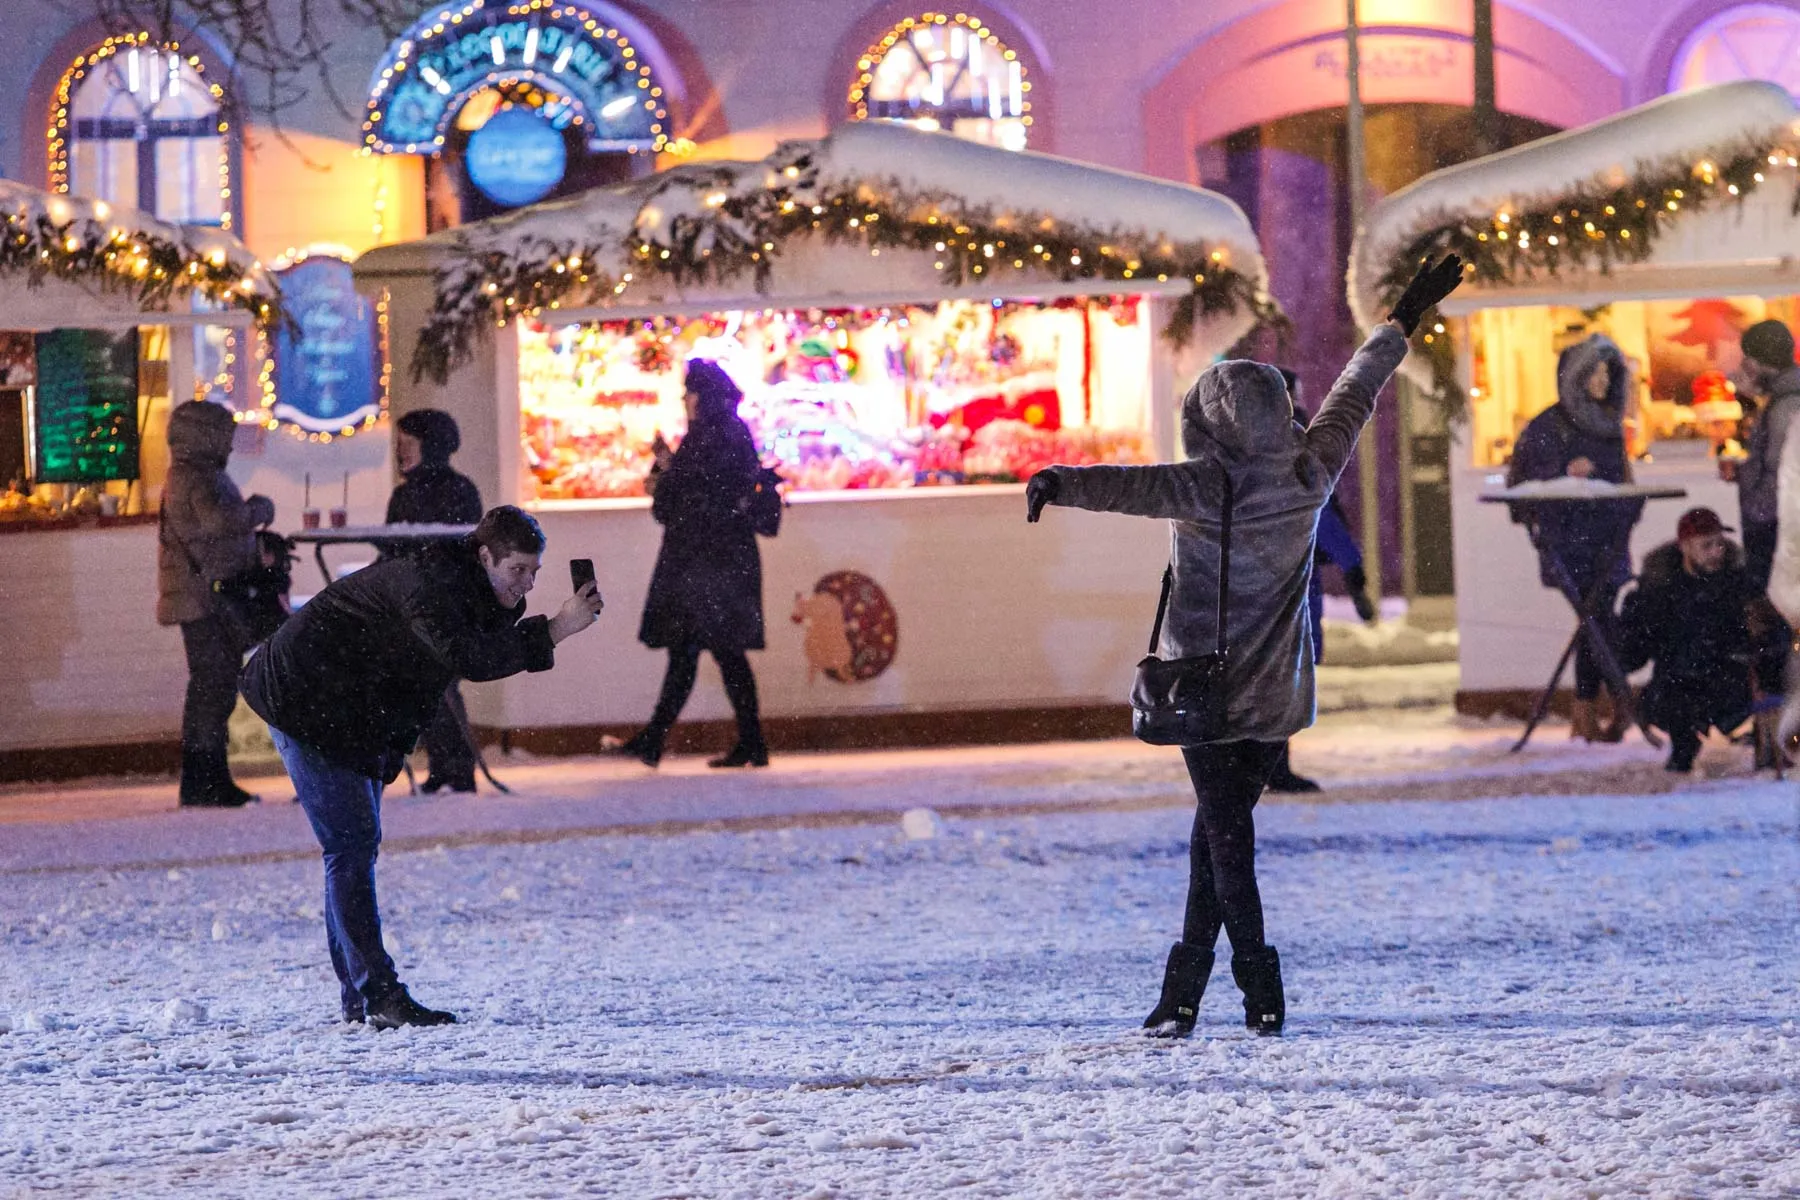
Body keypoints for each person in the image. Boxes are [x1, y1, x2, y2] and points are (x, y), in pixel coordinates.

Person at [1025, 255, 1464, 1038]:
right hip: (1274, 697)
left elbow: (1123, 485)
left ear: (1211, 423)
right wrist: (1404, 316)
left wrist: (1057, 481)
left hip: (1203, 689)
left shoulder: (1201, 486)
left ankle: (1256, 985)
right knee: (1217, 834)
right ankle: (1184, 996)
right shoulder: (1310, 472)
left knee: (1226, 841)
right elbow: (1356, 390)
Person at [242, 506, 604, 1027]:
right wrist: (557, 629)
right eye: (517, 570)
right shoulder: (432, 585)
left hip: (345, 704)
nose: (526, 583)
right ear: (485, 556)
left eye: (534, 572)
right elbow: (470, 659)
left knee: (351, 848)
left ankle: (362, 996)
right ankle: (379, 995)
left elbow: (471, 651)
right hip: (302, 696)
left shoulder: (472, 588)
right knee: (350, 846)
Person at [614, 359, 769, 769]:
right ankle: (740, 742)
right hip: (719, 558)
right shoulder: (728, 432)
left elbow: (697, 493)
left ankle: (661, 739)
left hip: (706, 560)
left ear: (704, 396)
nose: (685, 400)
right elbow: (709, 489)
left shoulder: (712, 435)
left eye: (690, 393)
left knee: (701, 650)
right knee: (713, 651)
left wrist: (668, 469)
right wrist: (671, 471)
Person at [1505, 333, 1644, 743]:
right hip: (1569, 542)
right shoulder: (1547, 426)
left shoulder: (1608, 425)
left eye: (1608, 373)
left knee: (1596, 619)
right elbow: (1521, 484)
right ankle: (1610, 704)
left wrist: (1625, 508)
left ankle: (1589, 710)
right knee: (1596, 618)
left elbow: (1619, 479)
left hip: (1607, 538)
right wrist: (1564, 472)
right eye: (1595, 372)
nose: (1603, 381)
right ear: (1577, 377)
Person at [155, 399, 277, 808]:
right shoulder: (199, 477)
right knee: (213, 687)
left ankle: (205, 776)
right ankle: (206, 779)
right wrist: (259, 509)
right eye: (224, 435)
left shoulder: (187, 474)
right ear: (205, 436)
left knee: (212, 686)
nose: (228, 444)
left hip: (198, 596)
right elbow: (221, 522)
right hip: (205, 598)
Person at [1266, 373, 1380, 793]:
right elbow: (1320, 513)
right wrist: (1353, 573)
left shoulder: (1255, 447)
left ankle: (1265, 763)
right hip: (1294, 577)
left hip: (1270, 576)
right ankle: (1273, 765)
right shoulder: (1294, 448)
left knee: (1273, 673)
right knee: (1286, 673)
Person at [1619, 508, 1768, 773]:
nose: (1716, 552)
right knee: (1673, 695)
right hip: (1676, 683)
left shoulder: (1740, 583)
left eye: (1719, 543)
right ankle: (1684, 744)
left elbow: (1763, 634)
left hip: (1729, 678)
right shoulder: (1660, 590)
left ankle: (1765, 744)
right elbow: (1635, 650)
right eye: (1706, 545)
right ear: (1684, 547)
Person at [385, 408, 485, 793]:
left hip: (448, 604)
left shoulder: (458, 492)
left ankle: (456, 768)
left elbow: (458, 551)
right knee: (425, 683)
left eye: (409, 443)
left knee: (436, 681)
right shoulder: (405, 494)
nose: (401, 451)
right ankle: (447, 767)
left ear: (432, 446)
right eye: (399, 444)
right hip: (416, 603)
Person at [1732, 319, 1800, 592]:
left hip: (1777, 527)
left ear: (1757, 361)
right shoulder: (1783, 398)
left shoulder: (1787, 404)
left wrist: (1758, 512)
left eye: (1747, 359)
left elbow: (1782, 470)